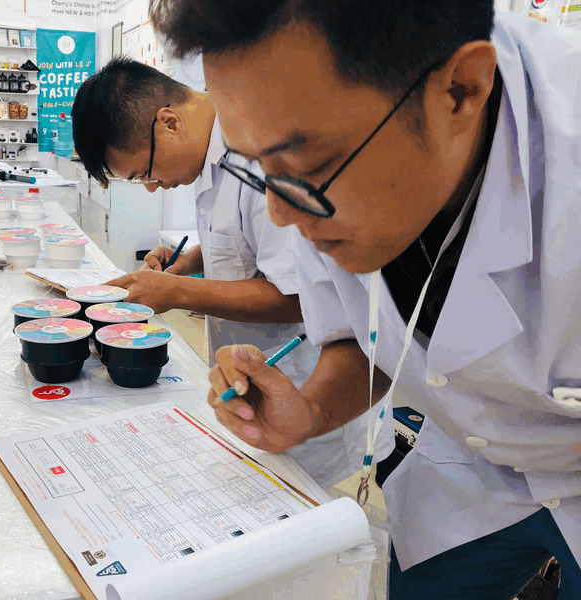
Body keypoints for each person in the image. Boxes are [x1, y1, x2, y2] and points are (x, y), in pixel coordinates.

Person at [150, 1, 581, 599]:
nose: (281, 214)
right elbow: (362, 335)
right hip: (472, 469)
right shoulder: (320, 173)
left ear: (461, 89)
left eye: (307, 163)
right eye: (258, 168)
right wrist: (310, 410)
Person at [71, 58, 392, 487]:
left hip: (317, 388)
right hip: (256, 387)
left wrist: (177, 291)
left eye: (145, 172)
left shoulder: (260, 155)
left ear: (168, 123)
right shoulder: (210, 153)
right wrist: (194, 260)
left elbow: (301, 296)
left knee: (304, 504)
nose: (151, 186)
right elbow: (250, 240)